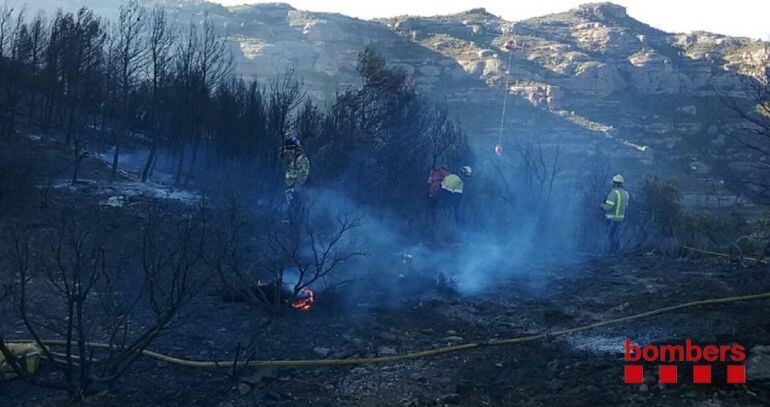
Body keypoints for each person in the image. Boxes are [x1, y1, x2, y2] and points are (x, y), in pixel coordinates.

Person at [283, 138, 310, 219]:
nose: (289, 151)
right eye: (287, 148)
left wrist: (290, 175)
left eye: (291, 148)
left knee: (300, 212)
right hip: (292, 191)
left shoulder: (302, 159)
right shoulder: (291, 161)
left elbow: (303, 176)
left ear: (297, 149)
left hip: (303, 191)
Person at [602, 174, 630, 251]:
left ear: (614, 183)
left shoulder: (613, 193)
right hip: (621, 219)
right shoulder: (626, 193)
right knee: (616, 236)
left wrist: (602, 206)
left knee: (609, 237)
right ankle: (616, 251)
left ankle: (608, 252)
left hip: (611, 219)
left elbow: (608, 207)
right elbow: (626, 206)